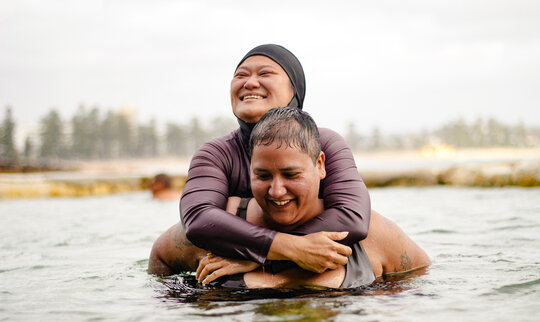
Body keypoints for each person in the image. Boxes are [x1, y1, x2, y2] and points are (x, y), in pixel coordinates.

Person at [148, 44, 371, 275]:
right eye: (241, 75)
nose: (250, 83)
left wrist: (262, 258)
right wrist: (283, 249)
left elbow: (352, 217)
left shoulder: (325, 143)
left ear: (295, 90)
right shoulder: (216, 154)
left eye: (264, 74)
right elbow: (198, 219)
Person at [196, 107, 431, 289]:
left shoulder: (377, 234)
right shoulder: (224, 223)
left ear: (320, 165)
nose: (276, 191)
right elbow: (162, 264)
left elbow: (424, 292)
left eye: (291, 175)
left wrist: (261, 258)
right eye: (263, 175)